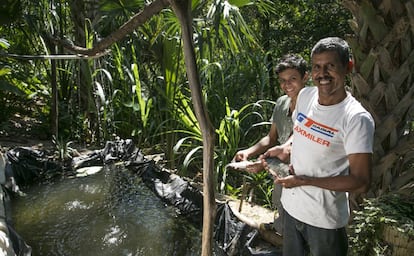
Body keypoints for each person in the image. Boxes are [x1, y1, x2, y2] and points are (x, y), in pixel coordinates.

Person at [263, 37, 375, 255]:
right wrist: (285, 149)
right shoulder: (305, 96)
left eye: (330, 66)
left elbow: (361, 182)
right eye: (317, 67)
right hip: (291, 208)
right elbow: (300, 132)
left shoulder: (356, 119)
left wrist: (305, 181)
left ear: (348, 67)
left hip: (324, 220)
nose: (322, 74)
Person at [232, 53, 309, 234]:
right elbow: (271, 138)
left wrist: (264, 162)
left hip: (304, 171)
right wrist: (248, 152)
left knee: (301, 219)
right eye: (282, 80)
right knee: (281, 204)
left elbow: (295, 144)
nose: (286, 84)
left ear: (305, 77)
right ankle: (281, 232)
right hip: (279, 167)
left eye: (292, 79)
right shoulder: (282, 102)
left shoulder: (314, 104)